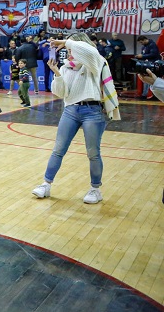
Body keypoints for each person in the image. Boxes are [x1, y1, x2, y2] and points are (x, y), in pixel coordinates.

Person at [32, 33, 120, 204]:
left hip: (93, 111)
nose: (69, 50)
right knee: (58, 149)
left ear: (80, 45)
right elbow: (61, 93)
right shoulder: (66, 67)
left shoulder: (94, 61)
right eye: (68, 48)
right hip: (70, 110)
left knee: (93, 153)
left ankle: (95, 189)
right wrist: (57, 73)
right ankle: (46, 185)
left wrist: (68, 41)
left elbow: (90, 51)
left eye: (71, 47)